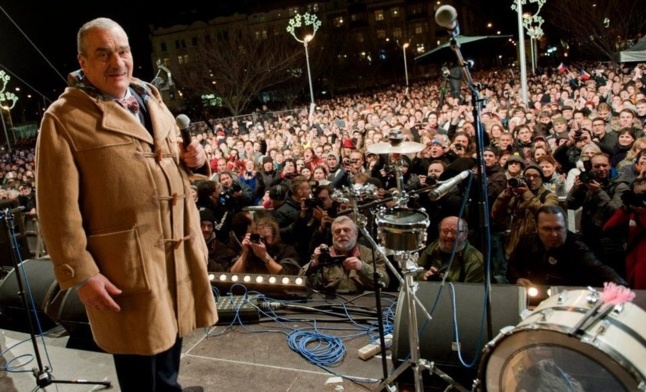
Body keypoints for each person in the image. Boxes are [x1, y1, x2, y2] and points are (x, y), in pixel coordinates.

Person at [35, 18, 217, 391]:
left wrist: (195, 163)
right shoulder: (63, 118)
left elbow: (168, 165)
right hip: (125, 268)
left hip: (174, 256)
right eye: (102, 54)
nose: (116, 62)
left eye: (122, 51)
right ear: (82, 62)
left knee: (170, 352)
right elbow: (56, 210)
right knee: (139, 367)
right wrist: (82, 274)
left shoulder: (151, 98)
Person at [507, 206, 627, 287]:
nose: (553, 234)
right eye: (547, 229)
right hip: (534, 299)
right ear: (537, 227)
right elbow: (512, 266)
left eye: (558, 228)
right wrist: (517, 279)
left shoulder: (577, 245)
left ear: (565, 226)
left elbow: (597, 267)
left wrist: (620, 284)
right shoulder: (527, 242)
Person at [300, 215, 390, 294]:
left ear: (356, 234)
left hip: (363, 304)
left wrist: (362, 267)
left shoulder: (370, 255)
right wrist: (314, 264)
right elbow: (300, 281)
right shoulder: (322, 255)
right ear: (332, 235)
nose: (342, 234)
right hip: (331, 305)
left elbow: (384, 281)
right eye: (337, 231)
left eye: (346, 230)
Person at [414, 216, 485, 283]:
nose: (449, 236)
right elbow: (415, 272)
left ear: (465, 234)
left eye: (455, 231)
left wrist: (444, 281)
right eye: (445, 231)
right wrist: (424, 275)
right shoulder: (432, 248)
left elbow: (471, 291)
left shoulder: (475, 261)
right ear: (439, 232)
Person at [229, 218, 301, 275]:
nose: (262, 241)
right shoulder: (249, 251)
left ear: (275, 237)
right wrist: (244, 253)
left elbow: (285, 276)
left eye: (266, 237)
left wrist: (264, 256)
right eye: (259, 237)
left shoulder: (287, 251)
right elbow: (233, 276)